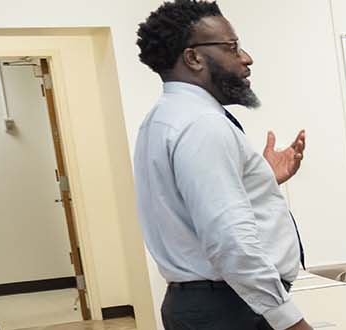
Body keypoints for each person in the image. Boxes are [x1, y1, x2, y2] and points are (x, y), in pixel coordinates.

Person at [131, 1, 314, 328]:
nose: (246, 58)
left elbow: (193, 208)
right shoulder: (202, 124)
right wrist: (290, 321)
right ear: (193, 57)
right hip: (232, 308)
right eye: (233, 48)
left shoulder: (163, 119)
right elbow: (230, 241)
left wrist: (262, 180)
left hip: (207, 303)